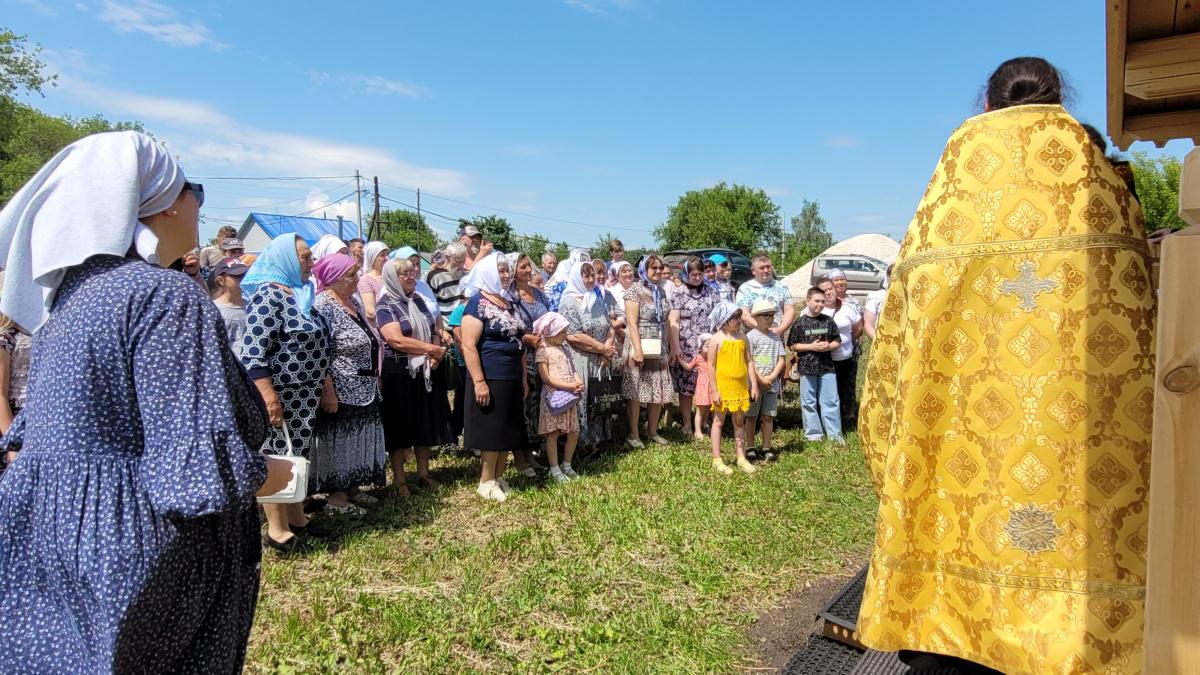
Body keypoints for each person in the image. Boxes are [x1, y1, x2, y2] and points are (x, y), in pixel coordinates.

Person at [856, 57, 1155, 674]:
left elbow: (891, 359)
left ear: (987, 109)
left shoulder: (943, 214)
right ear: (1059, 101)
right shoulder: (1103, 198)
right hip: (1083, 499)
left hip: (954, 491)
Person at [0, 131, 292, 672]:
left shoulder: (68, 301)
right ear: (157, 203)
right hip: (144, 551)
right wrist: (272, 474)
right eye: (188, 188)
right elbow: (194, 476)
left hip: (57, 538)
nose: (196, 204)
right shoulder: (163, 295)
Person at [242, 232, 334, 554]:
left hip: (305, 394)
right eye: (305, 257)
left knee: (298, 456)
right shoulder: (268, 297)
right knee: (277, 456)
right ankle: (278, 531)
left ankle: (298, 519)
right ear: (286, 259)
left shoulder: (302, 293)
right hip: (281, 394)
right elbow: (253, 354)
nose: (311, 262)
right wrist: (268, 397)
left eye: (310, 256)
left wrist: (324, 385)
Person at [309, 253, 387, 514]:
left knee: (359, 438)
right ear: (332, 278)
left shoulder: (351, 300)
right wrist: (327, 390)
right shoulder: (323, 306)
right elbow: (321, 353)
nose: (357, 279)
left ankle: (352, 487)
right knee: (340, 442)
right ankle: (337, 498)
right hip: (341, 387)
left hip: (364, 385)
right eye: (350, 275)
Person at [376, 258, 453, 493]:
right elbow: (396, 340)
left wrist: (436, 353)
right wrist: (430, 349)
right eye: (404, 274)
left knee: (423, 424)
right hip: (398, 373)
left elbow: (435, 329)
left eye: (412, 272)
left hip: (424, 371)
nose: (411, 277)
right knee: (399, 429)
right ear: (391, 278)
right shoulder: (385, 305)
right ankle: (400, 481)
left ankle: (424, 474)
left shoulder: (418, 300)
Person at [460, 253, 528, 502]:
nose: (506, 274)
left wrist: (523, 377)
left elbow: (518, 341)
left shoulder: (508, 302)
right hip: (491, 374)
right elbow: (468, 345)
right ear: (487, 272)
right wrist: (479, 381)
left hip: (512, 374)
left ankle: (499, 476)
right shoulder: (477, 303)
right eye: (500, 270)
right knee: (493, 428)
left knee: (508, 427)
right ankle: (485, 480)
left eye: (507, 270)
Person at [558, 258, 618, 449]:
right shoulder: (568, 302)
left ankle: (599, 440)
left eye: (592, 274)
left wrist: (606, 353)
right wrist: (602, 349)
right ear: (577, 276)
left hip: (601, 360)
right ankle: (581, 446)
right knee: (584, 401)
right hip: (580, 359)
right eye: (586, 275)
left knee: (600, 398)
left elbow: (609, 327)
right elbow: (573, 335)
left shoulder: (596, 298)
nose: (591, 278)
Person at [622, 255, 673, 448]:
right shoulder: (634, 291)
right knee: (636, 392)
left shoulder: (660, 291)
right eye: (654, 268)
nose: (659, 272)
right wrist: (638, 350)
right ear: (644, 269)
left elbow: (666, 320)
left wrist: (668, 346)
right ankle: (633, 434)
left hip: (658, 345)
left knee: (656, 390)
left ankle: (652, 431)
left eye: (660, 268)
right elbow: (632, 323)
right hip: (640, 344)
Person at [668, 256, 721, 439]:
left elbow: (718, 319)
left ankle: (704, 421)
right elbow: (673, 320)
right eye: (693, 274)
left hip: (707, 347)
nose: (697, 277)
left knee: (706, 385)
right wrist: (675, 347)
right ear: (686, 274)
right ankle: (687, 423)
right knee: (686, 387)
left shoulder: (711, 291)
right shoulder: (678, 292)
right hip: (685, 346)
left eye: (700, 273)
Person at [511, 253, 552, 476]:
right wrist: (526, 338)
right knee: (522, 406)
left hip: (541, 355)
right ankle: (519, 457)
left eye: (529, 266)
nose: (528, 270)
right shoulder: (510, 297)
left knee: (535, 405)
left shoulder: (539, 295)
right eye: (523, 266)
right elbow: (508, 328)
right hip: (521, 357)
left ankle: (531, 453)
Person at [706, 301, 758, 475]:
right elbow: (711, 366)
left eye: (739, 317)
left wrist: (754, 385)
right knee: (719, 420)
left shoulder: (743, 338)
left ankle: (740, 456)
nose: (738, 321)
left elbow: (749, 361)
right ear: (724, 319)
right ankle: (717, 458)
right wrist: (714, 390)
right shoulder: (716, 339)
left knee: (739, 421)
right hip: (723, 387)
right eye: (733, 317)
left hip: (740, 387)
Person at [533, 312, 583, 483]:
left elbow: (572, 368)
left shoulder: (564, 347)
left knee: (574, 431)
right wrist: (569, 386)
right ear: (550, 332)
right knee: (553, 433)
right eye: (561, 332)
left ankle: (567, 464)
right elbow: (546, 378)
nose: (565, 336)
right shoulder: (543, 350)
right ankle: (554, 468)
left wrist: (577, 381)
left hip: (570, 397)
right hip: (553, 397)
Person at [787, 287, 841, 443]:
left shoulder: (828, 321)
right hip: (806, 367)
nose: (820, 304)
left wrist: (828, 346)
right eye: (817, 301)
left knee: (830, 401)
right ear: (808, 301)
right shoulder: (800, 322)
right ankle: (814, 434)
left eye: (823, 302)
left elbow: (837, 340)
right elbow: (792, 345)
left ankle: (835, 435)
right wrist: (811, 347)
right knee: (809, 401)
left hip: (827, 366)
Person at [744, 300, 787, 460]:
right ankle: (750, 446)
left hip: (771, 384)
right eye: (766, 315)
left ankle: (766, 446)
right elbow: (749, 361)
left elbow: (782, 359)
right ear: (756, 317)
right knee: (751, 416)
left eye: (772, 315)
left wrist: (771, 377)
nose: (769, 318)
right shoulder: (750, 337)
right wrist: (761, 379)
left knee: (768, 416)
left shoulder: (775, 337)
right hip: (754, 384)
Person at [823, 269, 863, 431]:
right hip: (829, 352)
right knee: (833, 381)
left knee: (849, 381)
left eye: (842, 279)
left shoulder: (853, 301)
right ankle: (835, 412)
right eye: (836, 280)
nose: (840, 283)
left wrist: (848, 340)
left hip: (851, 349)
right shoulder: (824, 301)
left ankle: (849, 413)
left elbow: (859, 326)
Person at [735, 253, 794, 337]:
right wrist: (763, 329)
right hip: (754, 337)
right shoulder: (745, 289)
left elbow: (789, 310)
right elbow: (744, 314)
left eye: (768, 267)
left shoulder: (782, 287)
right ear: (753, 270)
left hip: (777, 335)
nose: (766, 271)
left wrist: (780, 329)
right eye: (762, 268)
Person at [0, 313, 31, 469]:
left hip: (38, 419)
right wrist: (13, 445)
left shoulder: (43, 332)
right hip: (16, 422)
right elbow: (0, 396)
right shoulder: (6, 336)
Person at [209, 256, 250, 359]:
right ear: (221, 280)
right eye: (238, 276)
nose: (243, 279)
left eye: (245, 274)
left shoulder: (252, 305)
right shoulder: (213, 309)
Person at [429, 242, 469, 322]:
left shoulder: (467, 275)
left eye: (463, 261)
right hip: (445, 328)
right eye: (458, 261)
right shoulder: (435, 277)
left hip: (464, 325)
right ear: (447, 257)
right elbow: (430, 306)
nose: (461, 265)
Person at [393, 245, 438, 310]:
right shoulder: (391, 290)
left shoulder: (425, 287)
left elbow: (437, 313)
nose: (416, 269)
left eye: (417, 264)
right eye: (412, 264)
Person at [357, 241, 390, 327]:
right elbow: (370, 311)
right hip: (383, 326)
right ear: (373, 258)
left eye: (387, 254)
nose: (387, 258)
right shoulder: (365, 280)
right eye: (382, 255)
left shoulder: (391, 277)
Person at [862, 264, 891, 341]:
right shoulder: (876, 297)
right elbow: (868, 324)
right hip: (880, 342)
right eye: (891, 275)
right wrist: (878, 342)